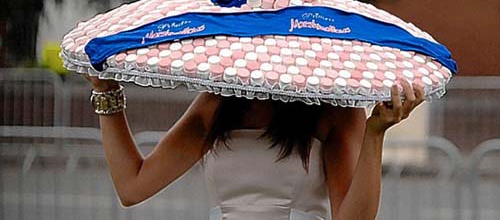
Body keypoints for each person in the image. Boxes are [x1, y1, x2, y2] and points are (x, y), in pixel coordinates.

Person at [84, 74, 425, 220]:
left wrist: (375, 133)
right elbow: (133, 184)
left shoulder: (335, 107)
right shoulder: (217, 101)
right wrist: (106, 92)